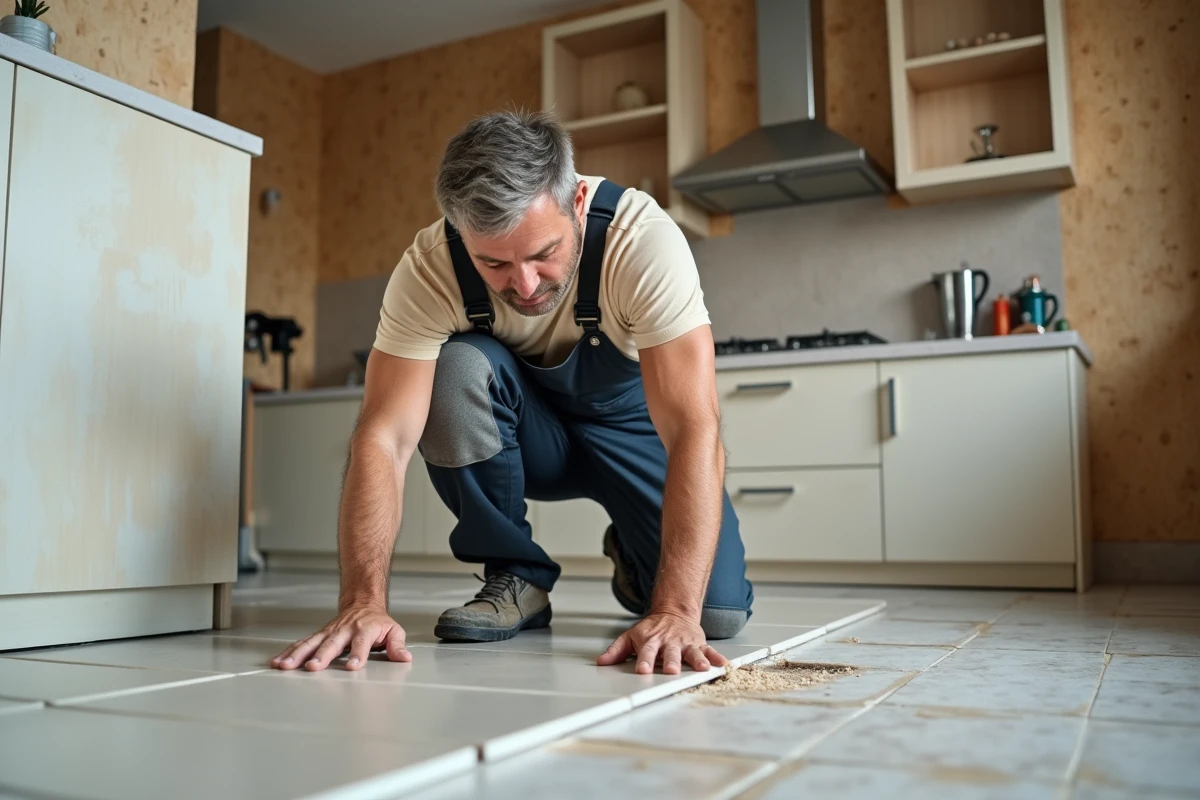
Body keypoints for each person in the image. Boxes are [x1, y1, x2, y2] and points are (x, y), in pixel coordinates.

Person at [270, 110, 754, 677]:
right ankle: (516, 575)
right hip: (530, 440)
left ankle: (633, 548)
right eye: (493, 262)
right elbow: (383, 437)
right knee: (452, 368)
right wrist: (361, 602)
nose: (523, 286)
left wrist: (674, 609)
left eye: (543, 253)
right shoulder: (430, 269)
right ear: (458, 230)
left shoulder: (640, 240)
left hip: (634, 434)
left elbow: (694, 428)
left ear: (576, 203)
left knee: (715, 613)